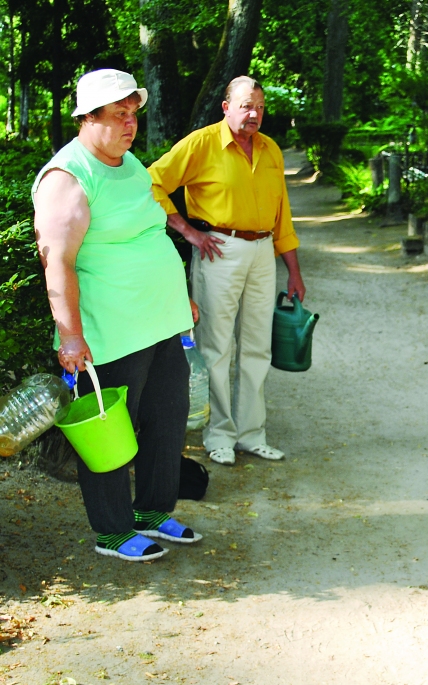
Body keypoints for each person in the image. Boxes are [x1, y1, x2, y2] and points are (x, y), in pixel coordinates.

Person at [33, 69, 203, 562]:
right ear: (87, 119)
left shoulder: (129, 164)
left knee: (167, 419)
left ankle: (153, 512)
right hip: (110, 331)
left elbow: (150, 234)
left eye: (133, 114)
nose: (130, 125)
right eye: (118, 115)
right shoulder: (68, 176)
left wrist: (180, 297)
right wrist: (70, 335)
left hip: (161, 322)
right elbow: (56, 261)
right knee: (110, 429)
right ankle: (112, 530)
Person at [148, 76, 305, 466]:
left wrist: (294, 271)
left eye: (260, 108)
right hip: (219, 250)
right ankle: (219, 435)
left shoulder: (271, 149)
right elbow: (152, 182)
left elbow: (282, 213)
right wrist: (186, 231)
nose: (254, 114)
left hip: (263, 250)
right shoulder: (201, 143)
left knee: (257, 347)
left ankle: (252, 434)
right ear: (226, 107)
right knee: (217, 347)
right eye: (246, 105)